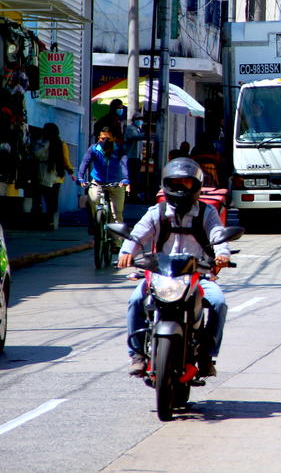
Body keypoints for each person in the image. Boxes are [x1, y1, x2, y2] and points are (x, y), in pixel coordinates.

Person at [118, 158, 230, 377]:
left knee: (218, 302)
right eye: (176, 182)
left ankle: (207, 354)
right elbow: (137, 234)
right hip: (161, 276)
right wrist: (126, 253)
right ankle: (137, 355)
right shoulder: (156, 212)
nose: (180, 188)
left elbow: (217, 234)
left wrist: (222, 254)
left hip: (198, 276)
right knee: (135, 301)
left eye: (186, 183)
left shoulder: (207, 213)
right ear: (167, 185)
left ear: (196, 186)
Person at [77, 127, 129, 227]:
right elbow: (85, 163)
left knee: (117, 215)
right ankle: (94, 224)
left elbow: (124, 164)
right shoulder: (94, 149)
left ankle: (117, 241)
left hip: (116, 183)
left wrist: (125, 178)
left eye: (108, 139)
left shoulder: (119, 150)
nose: (104, 141)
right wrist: (80, 177)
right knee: (93, 200)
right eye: (102, 138)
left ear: (114, 139)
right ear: (98, 138)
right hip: (97, 182)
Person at [31, 123, 74, 230]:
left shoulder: (43, 142)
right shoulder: (61, 144)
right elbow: (66, 159)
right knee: (52, 201)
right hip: (56, 176)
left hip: (44, 173)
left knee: (40, 199)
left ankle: (42, 221)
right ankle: (51, 222)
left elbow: (36, 155)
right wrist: (70, 171)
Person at [124, 113, 146, 201]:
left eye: (141, 119)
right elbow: (133, 137)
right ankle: (132, 194)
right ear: (134, 120)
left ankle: (134, 194)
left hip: (137, 156)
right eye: (138, 119)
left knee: (135, 177)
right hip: (131, 156)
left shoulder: (138, 129)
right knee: (132, 176)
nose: (140, 120)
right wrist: (144, 135)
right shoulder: (130, 128)